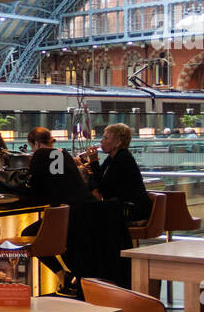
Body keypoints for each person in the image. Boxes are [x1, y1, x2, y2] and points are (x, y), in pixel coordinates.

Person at [20, 127, 94, 293]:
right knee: (63, 243)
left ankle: (63, 274)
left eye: (31, 146)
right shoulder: (63, 153)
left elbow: (32, 186)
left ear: (36, 143)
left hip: (66, 215)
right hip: (82, 211)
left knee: (29, 236)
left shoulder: (40, 155)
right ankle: (75, 277)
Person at [84, 123, 151, 222]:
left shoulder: (123, 158)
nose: (101, 141)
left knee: (87, 214)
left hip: (132, 209)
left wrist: (94, 162)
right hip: (120, 206)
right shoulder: (112, 158)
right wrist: (94, 188)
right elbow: (99, 179)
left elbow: (105, 188)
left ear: (118, 143)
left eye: (106, 138)